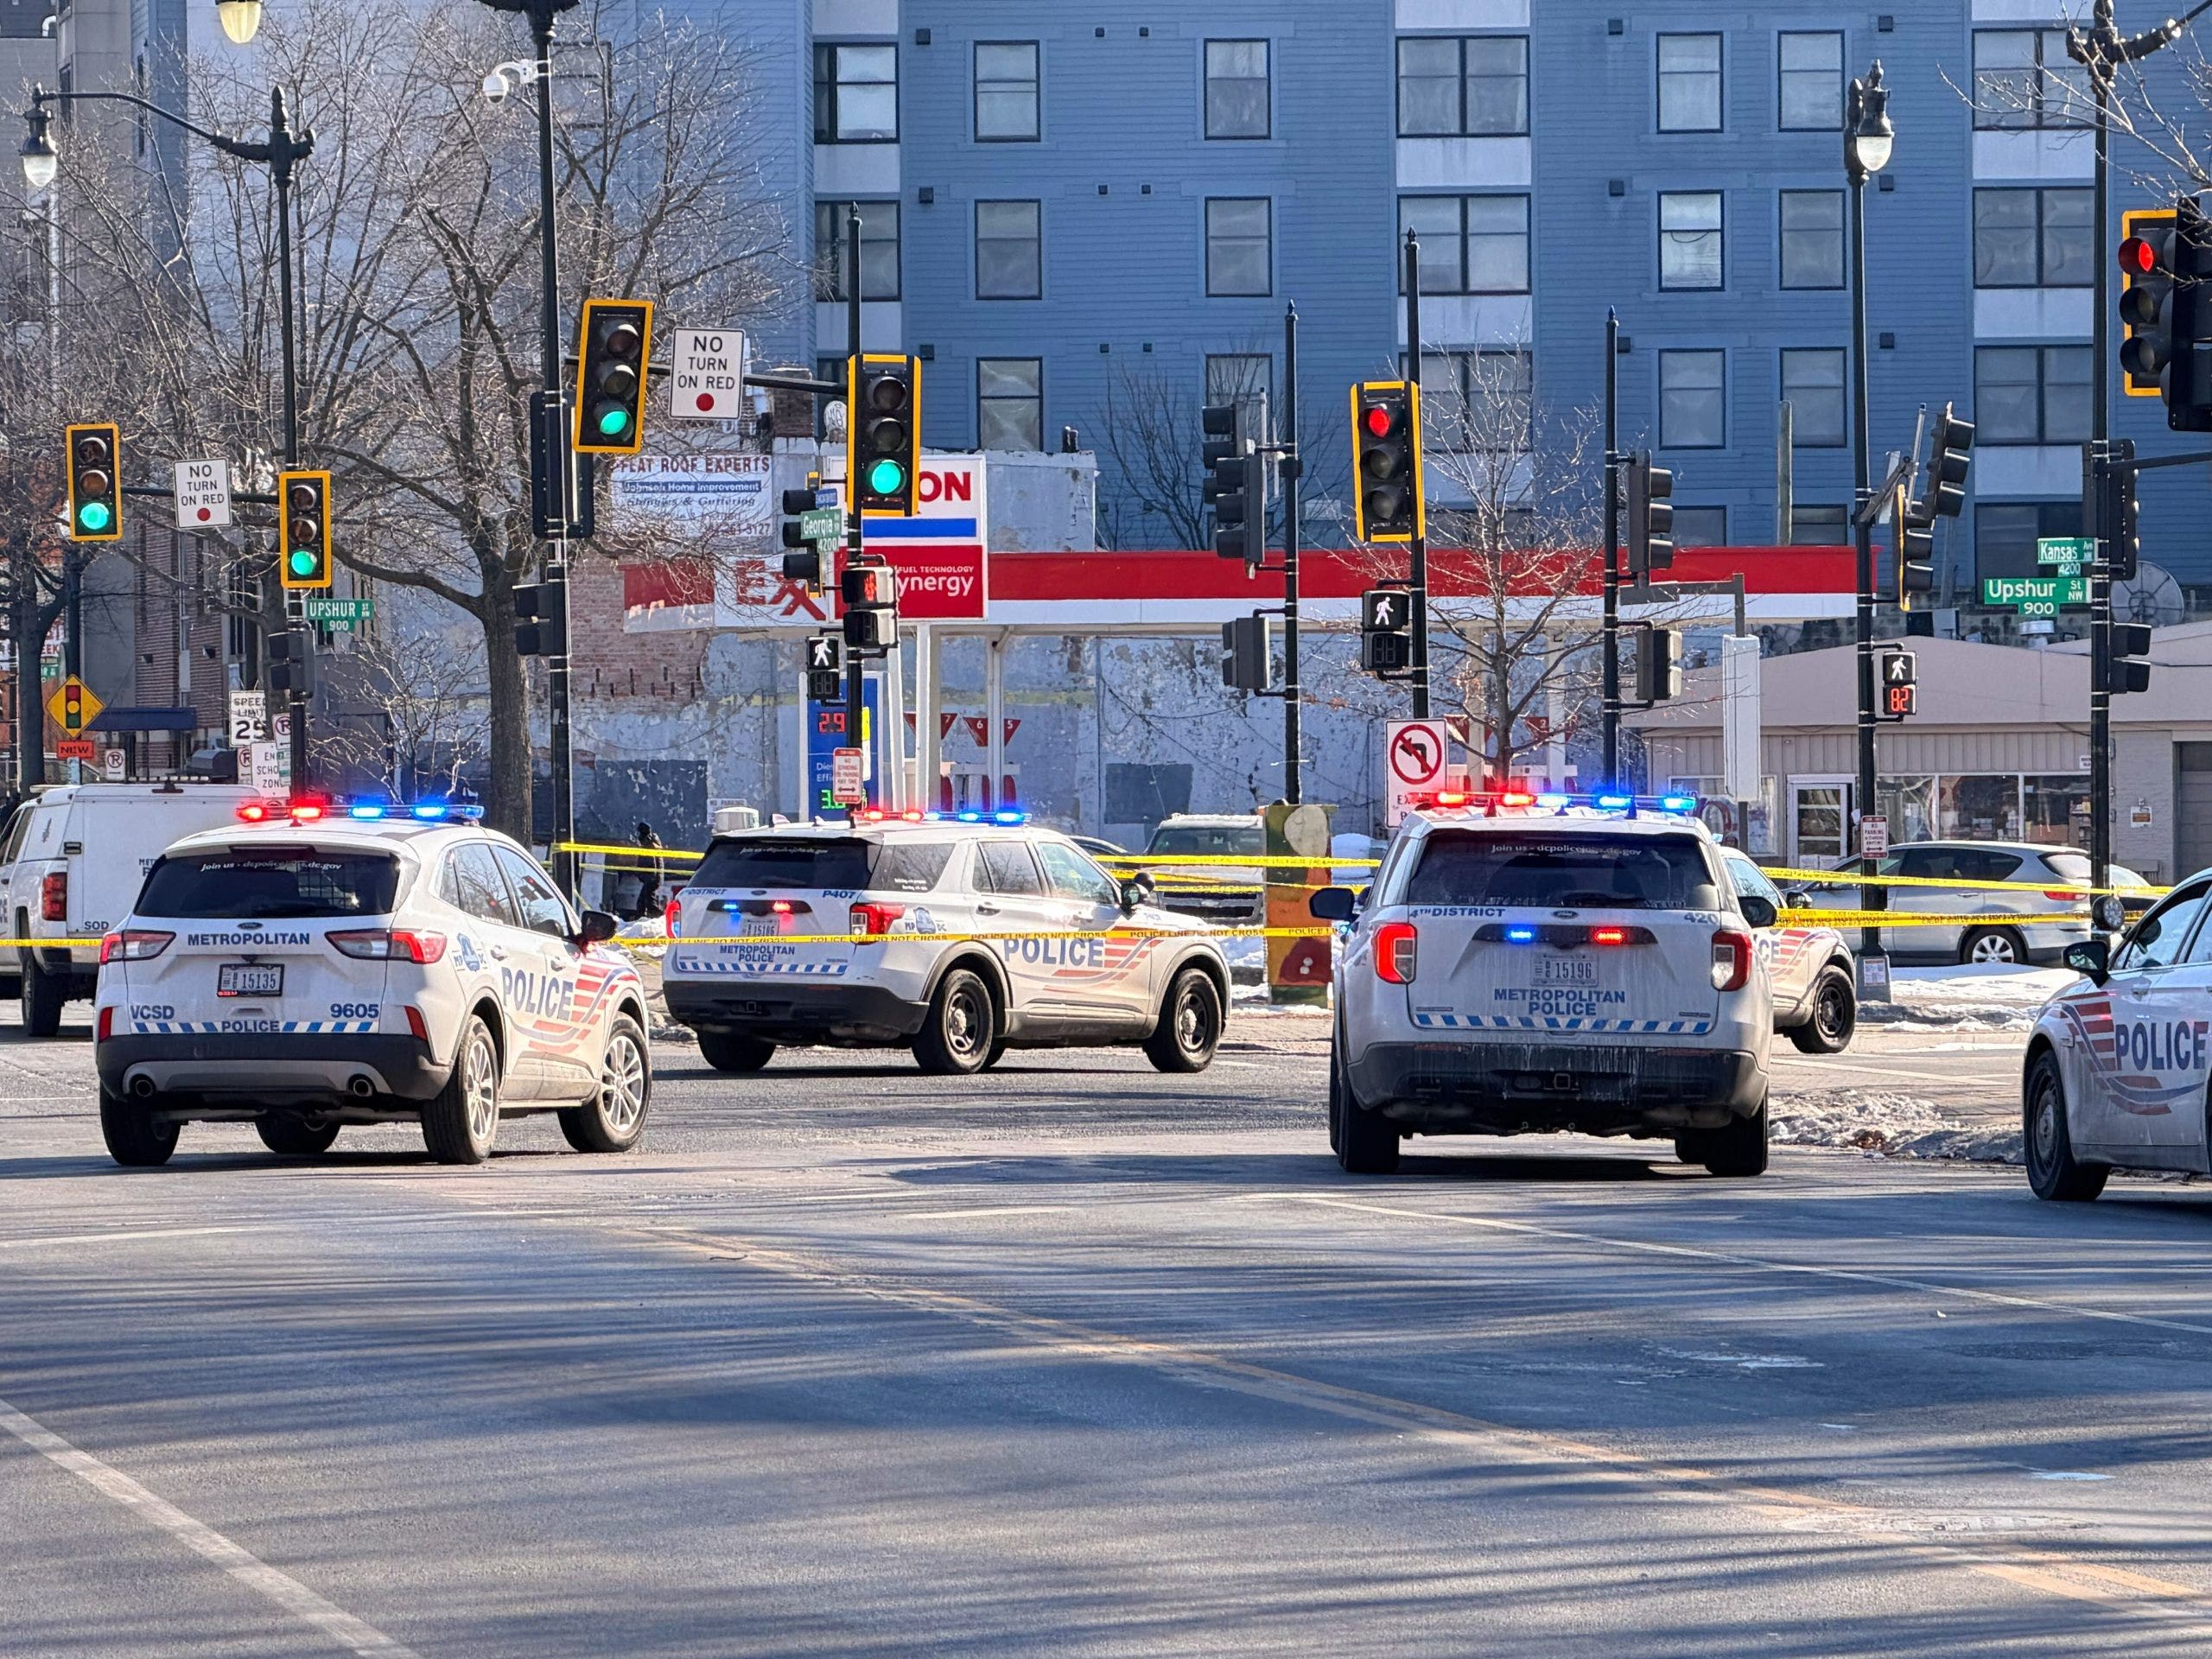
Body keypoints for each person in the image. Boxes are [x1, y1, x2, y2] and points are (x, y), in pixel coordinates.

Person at [632, 821, 666, 920]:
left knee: (649, 901)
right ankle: (640, 917)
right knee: (643, 900)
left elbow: (651, 864)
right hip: (652, 878)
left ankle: (658, 918)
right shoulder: (652, 844)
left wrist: (644, 876)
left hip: (651, 878)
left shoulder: (649, 845)